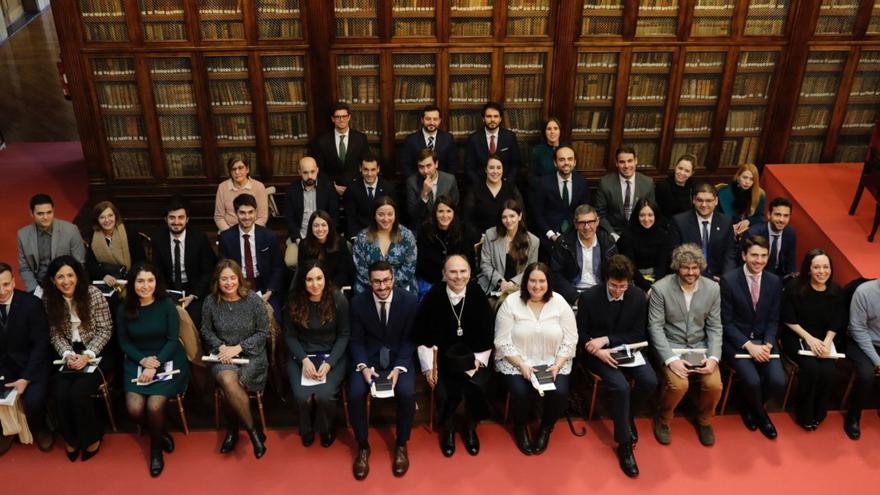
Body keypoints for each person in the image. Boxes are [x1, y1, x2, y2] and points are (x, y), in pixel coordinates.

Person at [576, 255, 657, 478]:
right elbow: (580, 334)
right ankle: (624, 444)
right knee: (620, 387)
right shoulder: (589, 297)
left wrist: (608, 340)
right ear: (606, 280)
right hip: (597, 354)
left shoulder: (638, 296)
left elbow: (637, 334)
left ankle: (626, 415)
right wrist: (599, 350)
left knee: (650, 381)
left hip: (626, 349)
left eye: (623, 286)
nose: (618, 290)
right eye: (613, 285)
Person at [414, 255, 494, 457]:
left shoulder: (476, 293)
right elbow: (422, 335)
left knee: (476, 386)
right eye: (453, 272)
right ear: (444, 274)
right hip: (442, 359)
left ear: (469, 273)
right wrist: (429, 368)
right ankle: (448, 429)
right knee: (444, 390)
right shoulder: (434, 294)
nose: (458, 277)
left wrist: (478, 362)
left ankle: (470, 427)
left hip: (473, 358)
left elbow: (487, 332)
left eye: (463, 271)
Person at [494, 262, 577, 455]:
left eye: (542, 281)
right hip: (516, 361)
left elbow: (571, 338)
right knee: (521, 392)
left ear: (548, 282)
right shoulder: (511, 302)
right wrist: (521, 364)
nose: (537, 286)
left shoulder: (559, 302)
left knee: (559, 392)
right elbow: (501, 340)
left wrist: (557, 365)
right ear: (525, 282)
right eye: (532, 281)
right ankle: (520, 426)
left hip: (553, 362)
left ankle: (546, 427)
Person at [348, 261, 419, 480]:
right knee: (355, 393)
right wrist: (363, 367)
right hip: (369, 360)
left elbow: (410, 339)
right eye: (377, 281)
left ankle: (401, 444)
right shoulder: (358, 303)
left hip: (399, 359)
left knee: (407, 393)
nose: (382, 286)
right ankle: (362, 446)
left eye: (386, 280)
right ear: (369, 282)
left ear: (393, 279)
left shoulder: (409, 301)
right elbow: (356, 341)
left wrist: (399, 367)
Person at [116, 263, 189, 477]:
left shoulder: (167, 304)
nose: (145, 286)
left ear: (156, 282)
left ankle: (156, 451)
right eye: (140, 281)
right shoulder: (123, 308)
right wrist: (143, 361)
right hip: (137, 360)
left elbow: (172, 339)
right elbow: (124, 342)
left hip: (168, 357)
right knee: (135, 410)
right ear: (132, 283)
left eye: (150, 280)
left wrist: (155, 363)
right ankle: (161, 432)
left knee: (155, 406)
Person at [648, 244, 723, 447]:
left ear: (701, 267)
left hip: (701, 348)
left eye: (695, 268)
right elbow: (655, 328)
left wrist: (714, 358)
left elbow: (715, 326)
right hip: (671, 347)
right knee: (680, 384)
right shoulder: (660, 289)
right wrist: (671, 360)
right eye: (686, 268)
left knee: (714, 384)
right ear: (677, 267)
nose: (691, 273)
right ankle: (663, 419)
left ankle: (705, 421)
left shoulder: (713, 288)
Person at [43, 256, 112, 461]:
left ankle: (91, 437)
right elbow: (55, 333)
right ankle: (71, 439)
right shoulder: (49, 300)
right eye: (60, 277)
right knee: (61, 392)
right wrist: (66, 354)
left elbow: (105, 329)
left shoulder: (93, 294)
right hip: (68, 353)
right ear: (53, 281)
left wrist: (87, 356)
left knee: (79, 391)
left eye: (70, 275)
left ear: (78, 277)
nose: (66, 281)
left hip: (96, 351)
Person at [200, 259, 269, 459]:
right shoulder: (210, 301)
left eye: (232, 278)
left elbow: (262, 332)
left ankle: (232, 430)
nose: (228, 283)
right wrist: (222, 347)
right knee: (228, 381)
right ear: (217, 281)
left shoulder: (253, 300)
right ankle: (254, 433)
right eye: (224, 279)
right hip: (222, 355)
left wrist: (238, 347)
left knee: (227, 391)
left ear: (239, 278)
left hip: (252, 355)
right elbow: (205, 329)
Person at [719, 236, 784, 439]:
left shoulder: (774, 282)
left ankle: (750, 407)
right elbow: (726, 323)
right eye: (754, 255)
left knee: (778, 381)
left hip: (765, 341)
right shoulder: (729, 280)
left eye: (764, 256)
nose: (759, 260)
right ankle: (760, 415)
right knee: (753, 381)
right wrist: (749, 346)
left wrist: (768, 344)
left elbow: (774, 320)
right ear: (744, 255)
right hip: (737, 342)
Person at [283, 261, 349, 448]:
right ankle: (307, 429)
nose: (315, 284)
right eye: (309, 279)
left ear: (325, 279)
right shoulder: (293, 301)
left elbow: (344, 335)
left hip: (332, 355)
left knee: (325, 395)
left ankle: (326, 427)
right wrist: (303, 359)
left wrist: (330, 363)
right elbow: (289, 335)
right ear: (302, 281)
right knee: (302, 397)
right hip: (302, 355)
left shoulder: (338, 300)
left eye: (319, 278)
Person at [780, 249, 843, 431]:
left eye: (825, 267)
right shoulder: (794, 287)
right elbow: (788, 318)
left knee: (829, 371)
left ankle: (819, 413)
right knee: (812, 368)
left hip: (824, 339)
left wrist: (826, 341)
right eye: (816, 267)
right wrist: (810, 339)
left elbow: (837, 320)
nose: (821, 271)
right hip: (797, 336)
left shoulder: (836, 290)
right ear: (808, 269)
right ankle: (804, 414)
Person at [0, 262, 52, 455]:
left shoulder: (32, 304)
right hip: (4, 367)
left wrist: (26, 377)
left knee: (33, 400)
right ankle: (7, 430)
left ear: (13, 282)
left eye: (5, 284)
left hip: (31, 365)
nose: (1, 291)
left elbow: (40, 345)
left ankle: (41, 428)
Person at [150, 197, 216, 327]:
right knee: (165, 320)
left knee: (193, 321)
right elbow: (157, 271)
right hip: (169, 289)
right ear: (166, 219)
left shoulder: (199, 238)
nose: (176, 222)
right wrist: (165, 294)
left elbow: (208, 271)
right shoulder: (158, 239)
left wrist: (194, 295)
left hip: (195, 289)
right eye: (172, 218)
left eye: (180, 217)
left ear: (187, 219)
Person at [218, 194, 285, 322]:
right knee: (233, 321)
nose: (247, 217)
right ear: (236, 213)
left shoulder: (269, 236)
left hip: (264, 285)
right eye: (242, 213)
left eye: (250, 212)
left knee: (275, 320)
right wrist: (234, 291)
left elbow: (278, 268)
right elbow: (223, 270)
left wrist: (269, 291)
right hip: (237, 285)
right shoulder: (226, 238)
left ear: (256, 212)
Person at [550, 204, 618, 305]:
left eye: (590, 222)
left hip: (602, 293)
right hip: (572, 294)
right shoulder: (563, 243)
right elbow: (556, 274)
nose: (586, 227)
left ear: (597, 222)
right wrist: (575, 298)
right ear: (575, 224)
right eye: (582, 223)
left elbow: (616, 271)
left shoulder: (608, 242)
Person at [17, 194, 85, 293]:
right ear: (31, 213)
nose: (45, 217)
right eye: (40, 213)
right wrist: (35, 291)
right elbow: (24, 268)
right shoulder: (22, 235)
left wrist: (67, 286)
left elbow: (79, 263)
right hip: (39, 285)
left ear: (53, 210)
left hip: (66, 284)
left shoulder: (71, 230)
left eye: (49, 212)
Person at [352, 196, 418, 296]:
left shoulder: (407, 236)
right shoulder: (362, 237)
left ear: (395, 215)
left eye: (390, 214)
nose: (386, 219)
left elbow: (409, 267)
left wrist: (387, 285)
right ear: (374, 215)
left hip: (401, 286)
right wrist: (378, 285)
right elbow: (361, 269)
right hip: (370, 286)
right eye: (381, 215)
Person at [671, 182, 737, 280]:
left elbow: (730, 254)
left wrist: (726, 279)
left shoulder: (726, 222)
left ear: (716, 201)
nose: (704, 205)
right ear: (694, 200)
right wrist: (707, 278)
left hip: (719, 277)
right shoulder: (679, 222)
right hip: (689, 276)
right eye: (700, 200)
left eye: (709, 201)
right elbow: (675, 255)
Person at [531, 146, 590, 252]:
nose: (566, 163)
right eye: (562, 159)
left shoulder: (582, 182)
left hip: (575, 235)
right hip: (549, 237)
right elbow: (537, 214)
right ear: (555, 163)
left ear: (575, 162)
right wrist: (551, 235)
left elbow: (585, 212)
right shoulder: (543, 183)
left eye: (570, 159)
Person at [415, 197, 478, 297]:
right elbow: (422, 262)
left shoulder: (464, 231)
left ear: (454, 213)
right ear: (435, 213)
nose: (445, 215)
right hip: (432, 279)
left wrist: (453, 277)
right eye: (440, 211)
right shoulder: (425, 231)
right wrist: (443, 276)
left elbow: (469, 260)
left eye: (449, 211)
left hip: (458, 279)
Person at [284, 156, 339, 267]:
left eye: (312, 172)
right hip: (301, 237)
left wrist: (325, 237)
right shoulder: (291, 191)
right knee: (290, 262)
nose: (310, 176)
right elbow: (289, 219)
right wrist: (299, 240)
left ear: (317, 170)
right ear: (299, 172)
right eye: (305, 173)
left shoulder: (328, 187)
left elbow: (334, 215)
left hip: (324, 234)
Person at [477, 199, 539, 298]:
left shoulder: (533, 241)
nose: (508, 220)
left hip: (518, 287)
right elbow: (485, 264)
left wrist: (512, 283)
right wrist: (500, 282)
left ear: (520, 216)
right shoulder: (491, 234)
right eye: (504, 217)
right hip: (492, 285)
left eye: (512, 216)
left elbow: (530, 269)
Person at [844, 278, 880, 440]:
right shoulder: (865, 291)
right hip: (860, 341)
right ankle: (853, 417)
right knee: (866, 375)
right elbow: (857, 328)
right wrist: (877, 360)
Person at [595, 145, 657, 238]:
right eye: (622, 162)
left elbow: (651, 212)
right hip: (614, 233)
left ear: (636, 161)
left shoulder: (647, 183)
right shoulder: (605, 183)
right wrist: (612, 234)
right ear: (616, 163)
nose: (626, 166)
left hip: (640, 232)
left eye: (630, 161)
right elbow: (600, 214)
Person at [310, 101, 368, 196]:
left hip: (355, 189)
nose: (341, 120)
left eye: (344, 116)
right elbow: (319, 169)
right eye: (337, 117)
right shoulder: (322, 141)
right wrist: (332, 186)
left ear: (349, 117)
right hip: (330, 190)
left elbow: (366, 165)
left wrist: (354, 185)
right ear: (332, 119)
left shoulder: (360, 139)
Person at [84, 200, 145, 290]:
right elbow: (90, 264)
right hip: (105, 282)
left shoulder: (130, 232)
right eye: (102, 217)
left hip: (130, 280)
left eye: (110, 215)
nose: (107, 220)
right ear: (97, 220)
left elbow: (141, 261)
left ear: (116, 216)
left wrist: (129, 279)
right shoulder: (93, 235)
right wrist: (103, 276)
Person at [616, 199, 674, 291]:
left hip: (658, 279)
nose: (646, 219)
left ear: (656, 215)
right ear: (636, 216)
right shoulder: (627, 236)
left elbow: (662, 265)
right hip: (633, 279)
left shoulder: (663, 235)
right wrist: (646, 286)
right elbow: (629, 265)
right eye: (642, 215)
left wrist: (655, 286)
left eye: (650, 215)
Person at [463, 101, 521, 186]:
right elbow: (469, 168)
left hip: (505, 184)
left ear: (500, 119)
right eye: (489, 116)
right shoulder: (473, 139)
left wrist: (507, 182)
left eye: (496, 116)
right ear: (483, 119)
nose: (492, 119)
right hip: (480, 185)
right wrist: (481, 185)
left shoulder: (510, 137)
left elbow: (516, 164)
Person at [463, 155, 524, 234]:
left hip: (508, 237)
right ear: (486, 170)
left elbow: (521, 216)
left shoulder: (511, 189)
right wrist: (481, 237)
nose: (495, 171)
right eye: (491, 168)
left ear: (503, 170)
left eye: (499, 168)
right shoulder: (475, 190)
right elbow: (467, 220)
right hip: (482, 239)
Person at [344, 151, 397, 240]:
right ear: (360, 168)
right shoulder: (352, 188)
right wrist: (355, 238)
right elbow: (350, 217)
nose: (369, 174)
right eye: (366, 169)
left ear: (378, 169)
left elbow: (394, 215)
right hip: (360, 235)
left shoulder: (388, 188)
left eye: (373, 170)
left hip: (383, 233)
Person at [297, 211, 354, 289]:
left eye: (324, 225)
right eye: (316, 226)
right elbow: (303, 272)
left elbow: (343, 274)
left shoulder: (340, 242)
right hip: (312, 287)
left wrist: (327, 288)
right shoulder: (304, 244)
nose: (320, 229)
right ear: (311, 227)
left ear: (329, 226)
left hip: (335, 287)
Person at [405, 149, 459, 228]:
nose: (425, 171)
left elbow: (455, 207)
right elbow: (413, 214)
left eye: (428, 166)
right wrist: (424, 194)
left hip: (446, 225)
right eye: (421, 167)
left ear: (436, 164)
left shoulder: (449, 180)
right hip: (423, 227)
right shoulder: (412, 182)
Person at [745, 197, 797, 279]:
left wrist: (793, 281)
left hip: (780, 278)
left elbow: (791, 263)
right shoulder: (754, 233)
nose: (781, 220)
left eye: (786, 216)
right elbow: (745, 263)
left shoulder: (790, 232)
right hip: (756, 275)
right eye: (778, 215)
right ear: (769, 215)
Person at [399, 105, 457, 177]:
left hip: (442, 184)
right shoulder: (410, 140)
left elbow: (453, 165)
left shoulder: (448, 139)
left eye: (435, 119)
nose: (431, 122)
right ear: (422, 120)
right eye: (428, 119)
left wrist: (445, 183)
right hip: (418, 184)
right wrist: (415, 184)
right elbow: (406, 166)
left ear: (439, 121)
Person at [213, 158, 269, 232]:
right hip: (229, 231)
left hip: (254, 231)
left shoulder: (259, 186)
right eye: (233, 169)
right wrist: (230, 234)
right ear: (230, 172)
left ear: (247, 169)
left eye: (240, 168)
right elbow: (219, 217)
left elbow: (262, 217)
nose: (237, 172)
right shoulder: (222, 187)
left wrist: (248, 233)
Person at [717, 163, 766, 237]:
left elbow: (760, 217)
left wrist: (749, 221)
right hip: (726, 229)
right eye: (745, 177)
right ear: (738, 177)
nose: (747, 182)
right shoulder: (724, 193)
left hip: (749, 231)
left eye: (751, 179)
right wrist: (729, 227)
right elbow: (716, 217)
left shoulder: (759, 194)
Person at [655, 154, 697, 220]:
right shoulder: (662, 186)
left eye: (687, 171)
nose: (682, 173)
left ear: (692, 173)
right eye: (680, 168)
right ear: (675, 167)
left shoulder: (694, 188)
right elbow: (657, 212)